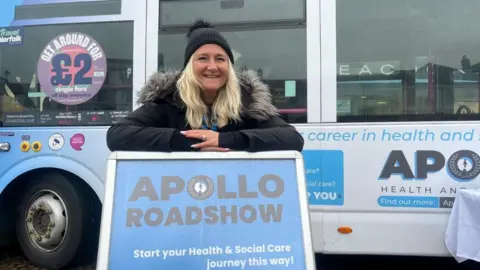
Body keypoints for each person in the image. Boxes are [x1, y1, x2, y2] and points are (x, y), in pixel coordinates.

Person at [106, 19, 304, 153]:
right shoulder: (168, 100)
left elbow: (292, 138)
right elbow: (117, 135)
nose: (212, 66)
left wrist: (227, 140)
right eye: (202, 58)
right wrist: (193, 142)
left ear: (229, 67)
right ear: (188, 67)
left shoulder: (247, 103)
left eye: (220, 59)